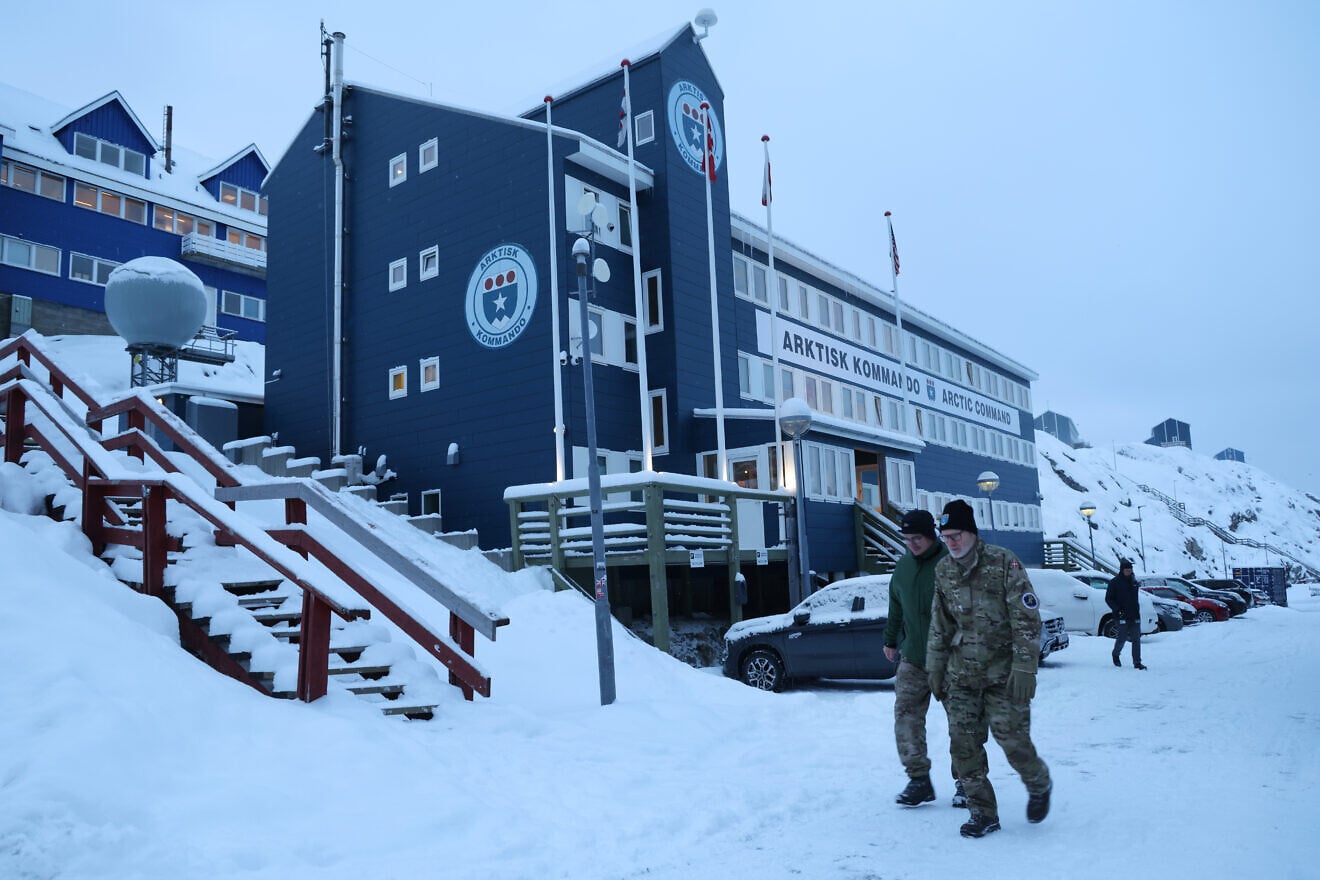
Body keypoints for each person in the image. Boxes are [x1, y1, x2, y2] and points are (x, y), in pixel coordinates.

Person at [927, 499, 1052, 838]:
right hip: (962, 676)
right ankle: (983, 813)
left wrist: (1026, 668)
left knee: (1012, 742)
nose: (950, 541)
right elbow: (940, 625)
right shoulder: (944, 571)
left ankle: (1038, 782)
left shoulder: (1003, 563)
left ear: (971, 533)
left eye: (956, 535)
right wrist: (934, 669)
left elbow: (1026, 618)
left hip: (1003, 675)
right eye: (945, 536)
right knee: (963, 746)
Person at [883, 510, 966, 808]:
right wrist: (890, 640)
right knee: (906, 717)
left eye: (917, 538)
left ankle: (967, 782)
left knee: (961, 722)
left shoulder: (952, 563)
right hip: (915, 657)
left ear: (931, 535)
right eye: (906, 539)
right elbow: (896, 604)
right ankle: (919, 779)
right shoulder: (903, 566)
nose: (912, 544)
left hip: (951, 659)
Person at [1105, 559, 1146, 669]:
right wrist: (1117, 609)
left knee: (1136, 639)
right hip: (1121, 615)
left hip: (1134, 615)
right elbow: (1108, 599)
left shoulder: (1134, 582)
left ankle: (1137, 662)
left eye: (1130, 570)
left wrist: (1136, 610)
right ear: (1122, 570)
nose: (1128, 572)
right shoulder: (1114, 582)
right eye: (1126, 570)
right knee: (1122, 637)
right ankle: (1115, 654)